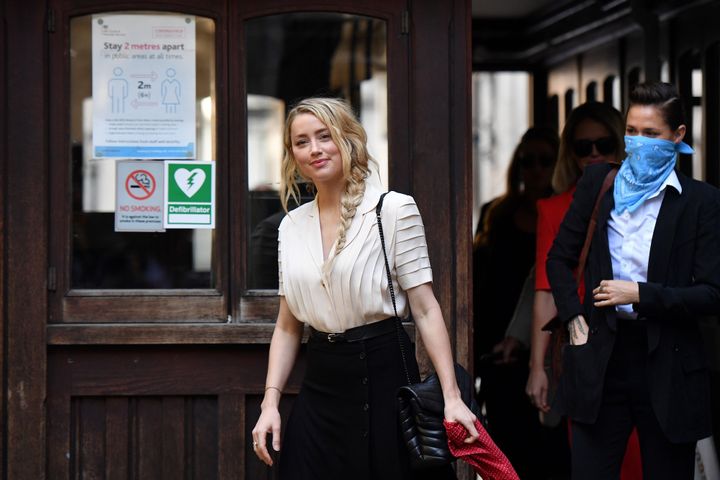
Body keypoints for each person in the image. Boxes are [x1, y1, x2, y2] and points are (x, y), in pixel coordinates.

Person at [251, 97, 479, 480]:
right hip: (322, 381)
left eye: (324, 136)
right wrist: (270, 403)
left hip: (384, 374)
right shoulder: (290, 226)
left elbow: (425, 309)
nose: (315, 149)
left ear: (349, 139)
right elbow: (288, 326)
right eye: (302, 141)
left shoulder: (392, 209)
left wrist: (452, 397)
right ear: (292, 154)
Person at [546, 82, 720, 479]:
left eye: (652, 134)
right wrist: (573, 319)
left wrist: (642, 294)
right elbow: (559, 260)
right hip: (601, 359)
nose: (638, 143)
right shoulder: (597, 183)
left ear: (677, 137)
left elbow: (712, 294)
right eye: (632, 132)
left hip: (669, 362)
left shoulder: (701, 202)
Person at [473, 126, 558, 478]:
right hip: (500, 355)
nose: (536, 169)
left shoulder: (564, 214)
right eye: (528, 161)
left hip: (549, 353)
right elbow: (478, 284)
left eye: (545, 161)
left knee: (549, 454)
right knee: (508, 455)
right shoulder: (496, 214)